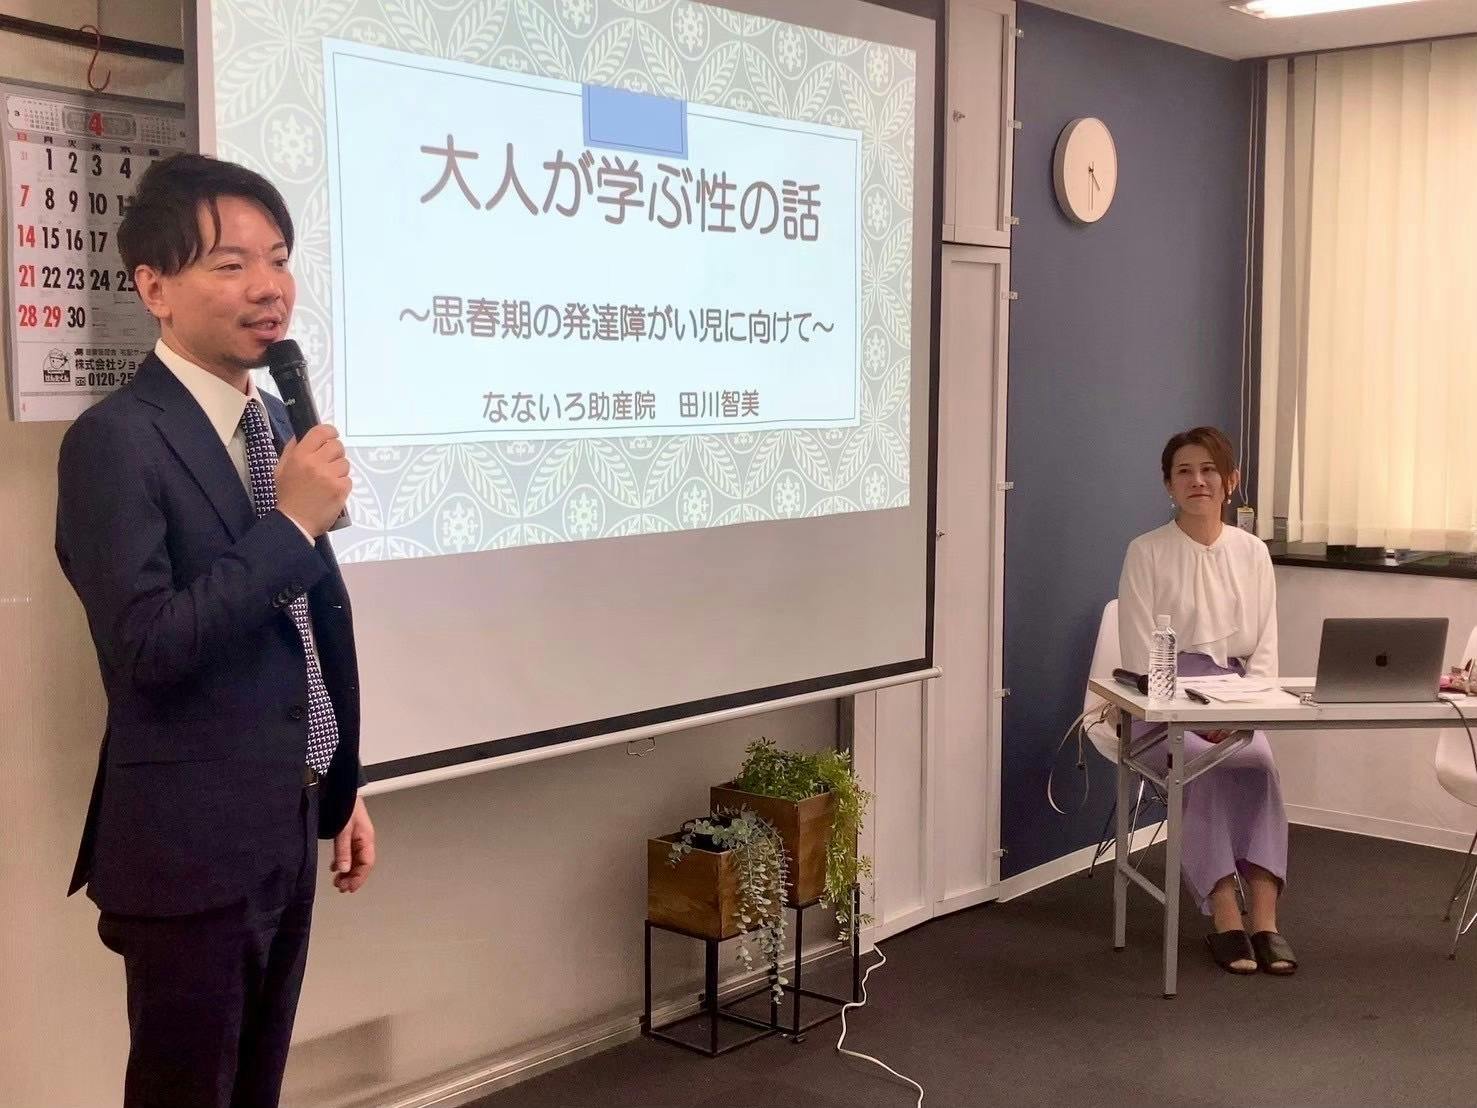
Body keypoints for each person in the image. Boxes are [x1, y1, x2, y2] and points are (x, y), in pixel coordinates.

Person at [54, 153, 376, 1106]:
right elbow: (146, 650)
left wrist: (335, 776)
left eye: (277, 259)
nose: (268, 287)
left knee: (255, 1087)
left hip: (285, 818)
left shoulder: (271, 417)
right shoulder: (115, 441)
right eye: (230, 264)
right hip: (189, 850)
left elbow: (301, 630)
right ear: (154, 288)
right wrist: (291, 527)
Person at [1117, 426, 1295, 976]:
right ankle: (1224, 915)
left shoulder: (1253, 552)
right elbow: (1140, 658)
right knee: (1205, 767)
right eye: (1184, 472)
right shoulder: (1145, 551)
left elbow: (1264, 649)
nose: (1198, 480)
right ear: (1168, 485)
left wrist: (1241, 714)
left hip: (1237, 697)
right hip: (1162, 704)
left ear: (1230, 481)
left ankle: (1265, 921)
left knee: (1259, 765)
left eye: (1209, 470)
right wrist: (1194, 717)